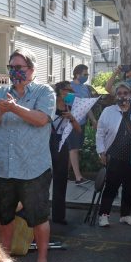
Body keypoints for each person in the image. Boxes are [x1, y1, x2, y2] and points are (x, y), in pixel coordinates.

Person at [0, 48, 55, 262]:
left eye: (19, 68)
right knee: (5, 217)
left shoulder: (45, 92)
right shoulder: (2, 92)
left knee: (38, 218)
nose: (14, 72)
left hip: (34, 168)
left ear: (31, 70)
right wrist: (1, 111)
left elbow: (41, 119)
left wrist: (13, 108)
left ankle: (42, 261)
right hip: (5, 168)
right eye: (11, 68)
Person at [96, 82, 131, 227]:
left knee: (130, 187)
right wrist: (101, 151)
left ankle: (125, 215)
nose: (122, 96)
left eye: (125, 93)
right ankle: (104, 215)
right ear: (115, 96)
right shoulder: (108, 111)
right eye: (119, 93)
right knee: (111, 187)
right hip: (115, 154)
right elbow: (100, 133)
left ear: (130, 95)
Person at [51, 81, 80, 225]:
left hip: (62, 144)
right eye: (68, 90)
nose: (70, 93)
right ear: (60, 90)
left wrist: (72, 118)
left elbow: (78, 129)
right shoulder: (50, 103)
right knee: (42, 180)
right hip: (46, 143)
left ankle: (59, 216)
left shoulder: (70, 107)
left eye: (72, 91)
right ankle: (41, 215)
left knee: (61, 180)